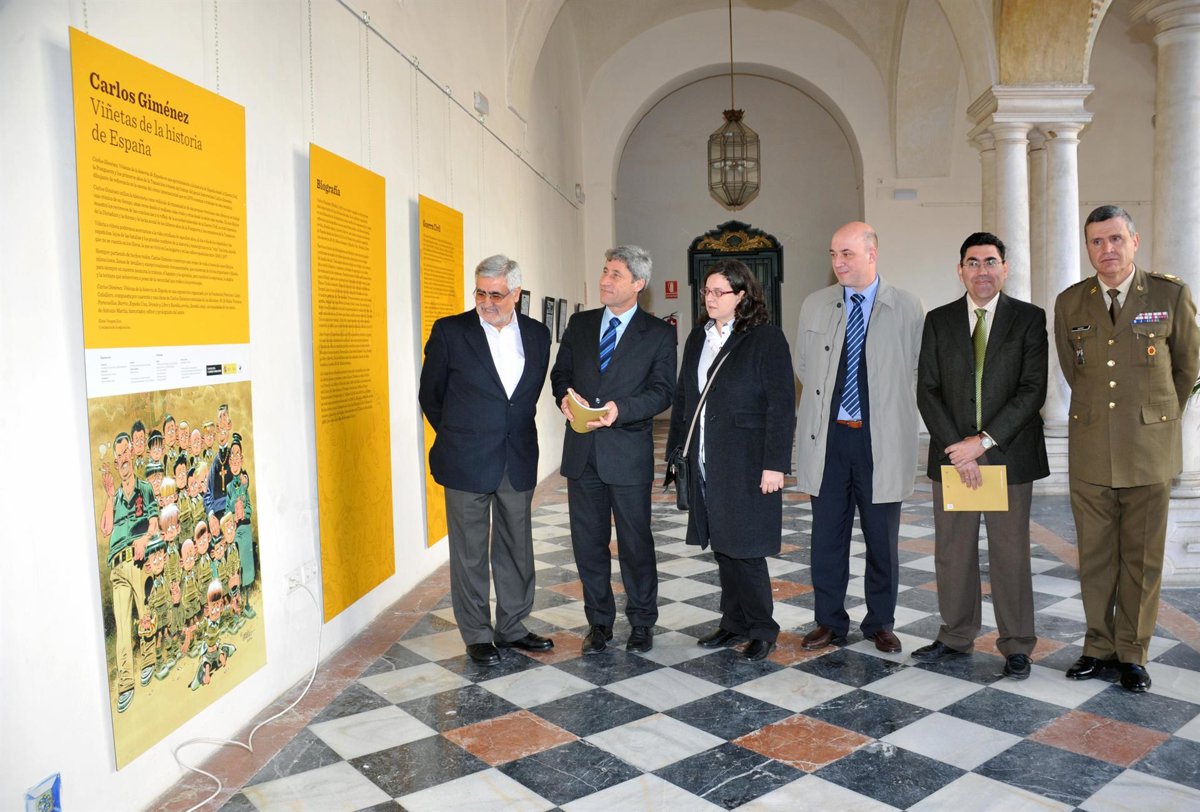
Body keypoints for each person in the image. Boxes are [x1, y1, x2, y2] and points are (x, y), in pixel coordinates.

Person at [1054, 205, 1200, 692]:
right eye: (1096, 241)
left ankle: (1133, 652)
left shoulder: (1168, 294)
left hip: (1148, 449)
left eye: (1116, 238)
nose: (1107, 249)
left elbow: (1186, 369)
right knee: (1095, 556)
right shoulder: (1071, 302)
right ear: (1088, 247)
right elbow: (1076, 372)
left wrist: (1156, 418)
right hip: (1092, 448)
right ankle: (1098, 646)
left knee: (1141, 558)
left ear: (1134, 241)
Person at [913, 232, 1048, 679]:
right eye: (973, 262)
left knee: (1011, 554)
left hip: (1009, 455)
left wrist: (983, 442)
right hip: (954, 457)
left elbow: (1032, 390)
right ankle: (955, 635)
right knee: (953, 552)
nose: (982, 270)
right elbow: (927, 389)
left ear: (1005, 269)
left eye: (990, 262)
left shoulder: (1029, 319)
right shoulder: (939, 321)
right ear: (960, 270)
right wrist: (961, 449)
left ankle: (1017, 644)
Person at [794, 221, 924, 653]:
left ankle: (880, 623)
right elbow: (803, 365)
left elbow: (918, 369)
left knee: (881, 541)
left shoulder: (907, 307)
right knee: (826, 539)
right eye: (833, 254)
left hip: (879, 442)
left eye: (847, 253)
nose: (838, 262)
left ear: (872, 254)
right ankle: (829, 621)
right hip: (829, 440)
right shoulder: (815, 304)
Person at [419, 254, 553, 667]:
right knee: (469, 553)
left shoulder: (537, 334)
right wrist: (460, 436)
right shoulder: (450, 332)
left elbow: (525, 397)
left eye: (496, 294)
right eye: (480, 292)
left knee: (517, 547)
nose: (487, 302)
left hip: (516, 457)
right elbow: (430, 395)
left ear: (516, 293)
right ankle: (477, 634)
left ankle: (512, 626)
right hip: (465, 460)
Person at [667, 260, 795, 661]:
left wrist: (775, 464)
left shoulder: (765, 338)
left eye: (719, 292)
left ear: (742, 296)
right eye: (707, 291)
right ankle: (733, 621)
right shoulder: (698, 337)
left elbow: (781, 405)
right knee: (723, 544)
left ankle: (762, 627)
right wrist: (676, 453)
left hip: (748, 460)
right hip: (707, 458)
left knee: (746, 548)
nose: (710, 298)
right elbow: (684, 398)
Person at [551, 245, 676, 654]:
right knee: (588, 544)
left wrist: (621, 409)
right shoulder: (580, 324)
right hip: (582, 453)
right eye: (605, 271)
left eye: (615, 274)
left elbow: (663, 392)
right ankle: (599, 623)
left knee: (635, 544)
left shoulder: (658, 334)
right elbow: (560, 373)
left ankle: (642, 621)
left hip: (627, 454)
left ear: (638, 284)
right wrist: (564, 398)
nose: (605, 280)